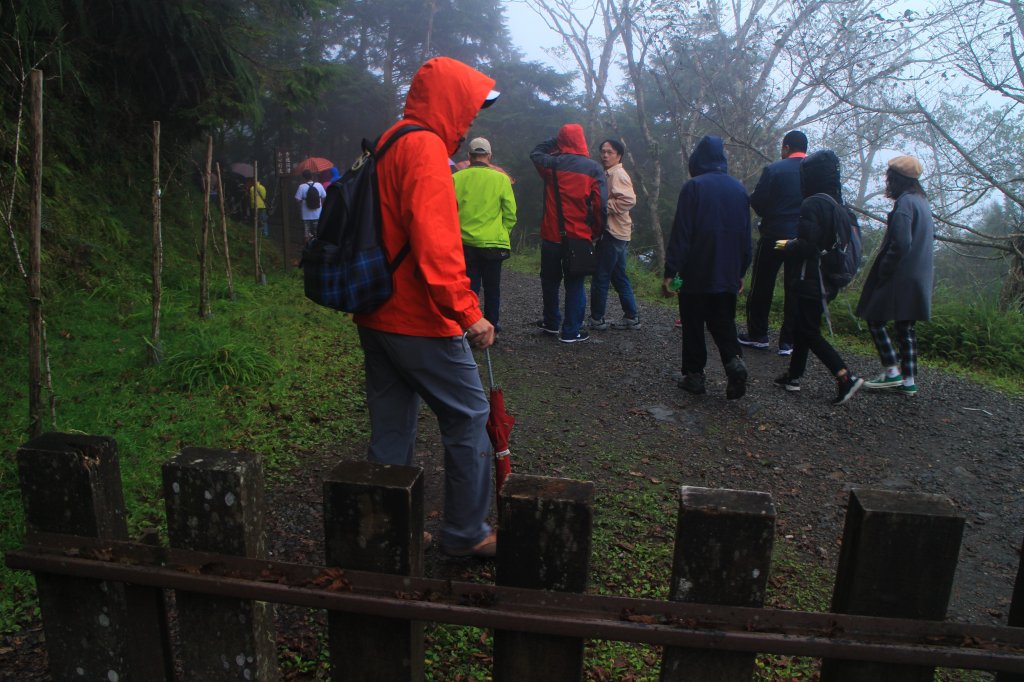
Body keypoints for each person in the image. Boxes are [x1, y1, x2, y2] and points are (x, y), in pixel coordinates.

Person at [351, 57, 500, 558]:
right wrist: (467, 311)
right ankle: (466, 534)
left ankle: (385, 533)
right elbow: (436, 245)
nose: (472, 118)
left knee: (392, 426)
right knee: (469, 413)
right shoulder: (426, 149)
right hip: (416, 317)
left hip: (376, 309)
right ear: (451, 101)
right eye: (471, 106)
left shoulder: (392, 139)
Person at [662, 135, 751, 400]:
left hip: (697, 268)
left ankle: (694, 376)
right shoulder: (739, 189)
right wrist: (741, 271)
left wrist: (670, 271)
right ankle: (734, 362)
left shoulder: (694, 187)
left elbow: (682, 233)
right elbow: (746, 237)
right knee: (723, 321)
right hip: (727, 271)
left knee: (692, 322)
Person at [773, 150, 864, 405]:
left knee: (807, 329)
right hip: (829, 276)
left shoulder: (813, 203)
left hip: (812, 277)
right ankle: (794, 375)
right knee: (805, 326)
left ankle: (845, 376)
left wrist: (786, 246)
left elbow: (807, 245)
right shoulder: (837, 204)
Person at [856, 155, 934, 397]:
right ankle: (908, 381)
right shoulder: (922, 201)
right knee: (906, 326)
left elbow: (901, 243)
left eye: (889, 177)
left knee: (874, 318)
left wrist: (885, 269)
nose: (887, 182)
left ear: (897, 180)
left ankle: (892, 372)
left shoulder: (905, 204)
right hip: (919, 275)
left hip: (900, 274)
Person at [530, 124, 607, 343]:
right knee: (575, 284)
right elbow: (600, 205)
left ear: (562, 141)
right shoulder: (593, 169)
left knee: (550, 281)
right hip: (579, 237)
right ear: (582, 140)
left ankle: (552, 323)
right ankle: (571, 331)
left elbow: (535, 152)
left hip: (551, 235)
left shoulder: (552, 164)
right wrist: (596, 231)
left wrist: (555, 142)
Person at [740, 130, 807, 355]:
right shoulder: (814, 171)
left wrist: (770, 213)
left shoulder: (775, 169)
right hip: (801, 239)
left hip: (776, 236)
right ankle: (788, 342)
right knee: (794, 287)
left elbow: (758, 200)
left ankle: (758, 334)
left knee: (763, 284)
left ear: (786, 147)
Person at [454, 137, 518, 333]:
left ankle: (468, 326)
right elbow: (510, 213)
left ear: (469, 156)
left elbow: (448, 211)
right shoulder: (501, 179)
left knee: (469, 288)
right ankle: (492, 326)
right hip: (493, 244)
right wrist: (502, 232)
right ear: (489, 156)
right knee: (492, 288)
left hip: (465, 243)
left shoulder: (456, 178)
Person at [589, 139, 641, 331]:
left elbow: (629, 200)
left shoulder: (618, 174)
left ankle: (596, 319)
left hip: (613, 233)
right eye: (603, 151)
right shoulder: (608, 173)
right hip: (619, 232)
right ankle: (631, 317)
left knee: (601, 276)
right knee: (619, 276)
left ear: (619, 155)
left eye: (609, 152)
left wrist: (603, 208)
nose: (605, 155)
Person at [295, 169, 326, 241]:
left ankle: (307, 246)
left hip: (306, 215)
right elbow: (324, 196)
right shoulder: (319, 185)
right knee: (317, 232)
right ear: (312, 176)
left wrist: (304, 200)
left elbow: (297, 200)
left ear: (303, 177)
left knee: (307, 233)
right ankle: (317, 246)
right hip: (317, 213)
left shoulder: (301, 186)